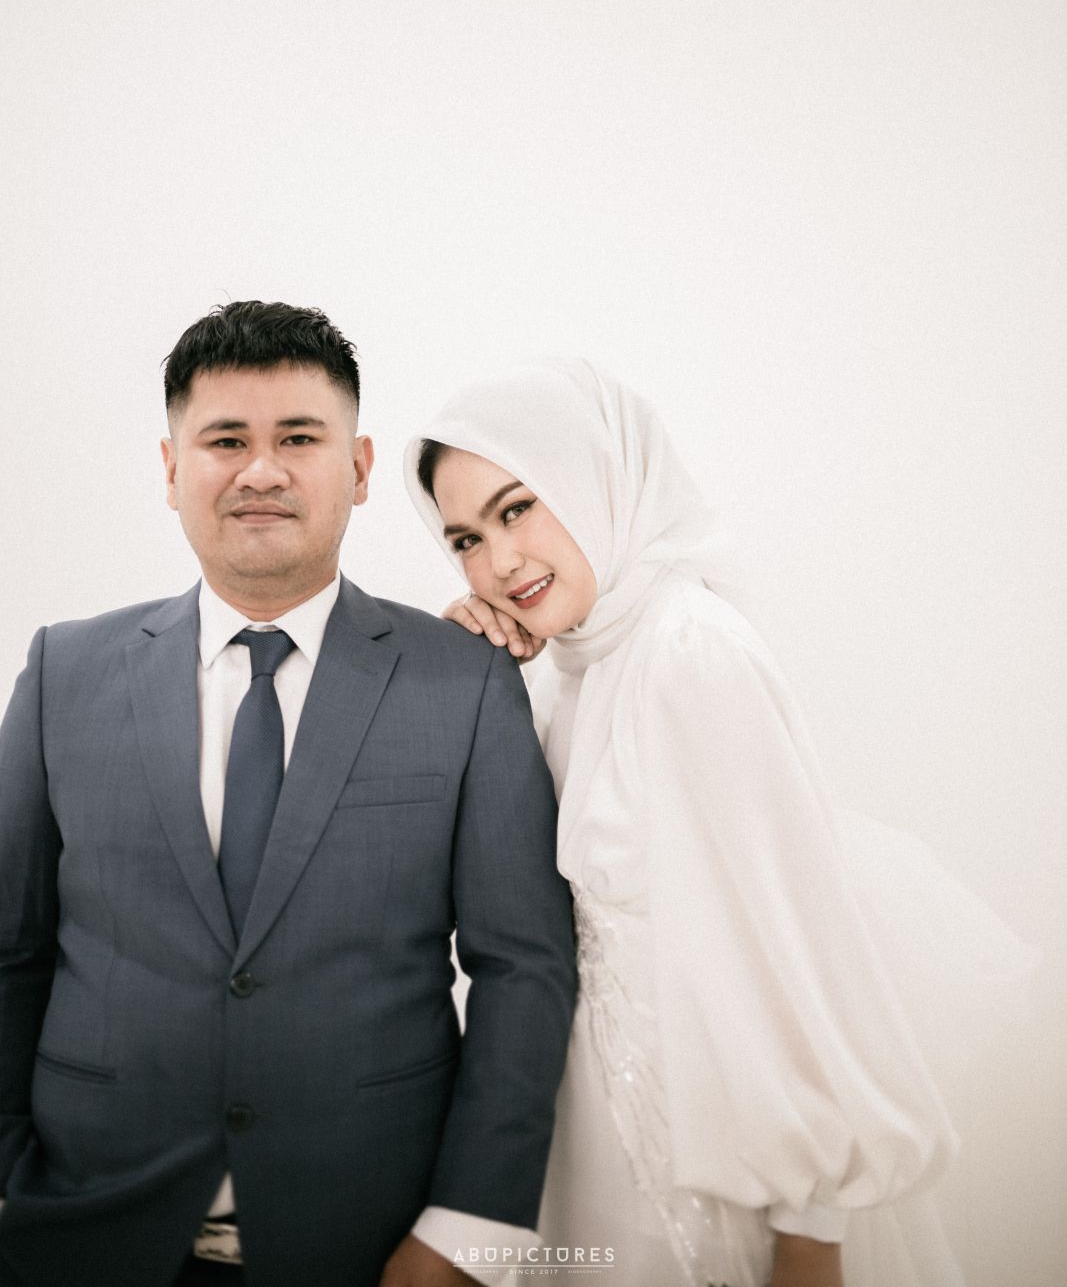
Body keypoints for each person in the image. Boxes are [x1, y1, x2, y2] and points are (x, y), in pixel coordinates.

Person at [405, 357, 1035, 1287]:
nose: (497, 562)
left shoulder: (690, 652)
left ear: (596, 477)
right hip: (599, 1146)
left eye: (517, 509)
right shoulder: (581, 669)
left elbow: (792, 948)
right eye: (465, 538)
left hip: (709, 1175)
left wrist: (808, 1234)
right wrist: (474, 673)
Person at [0, 302, 577, 1287]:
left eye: (298, 439)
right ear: (172, 468)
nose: (260, 470)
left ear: (357, 468)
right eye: (225, 440)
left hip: (375, 1238)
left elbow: (522, 966)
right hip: (78, 1230)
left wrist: (467, 1232)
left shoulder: (463, 678)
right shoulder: (65, 671)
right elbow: (11, 948)